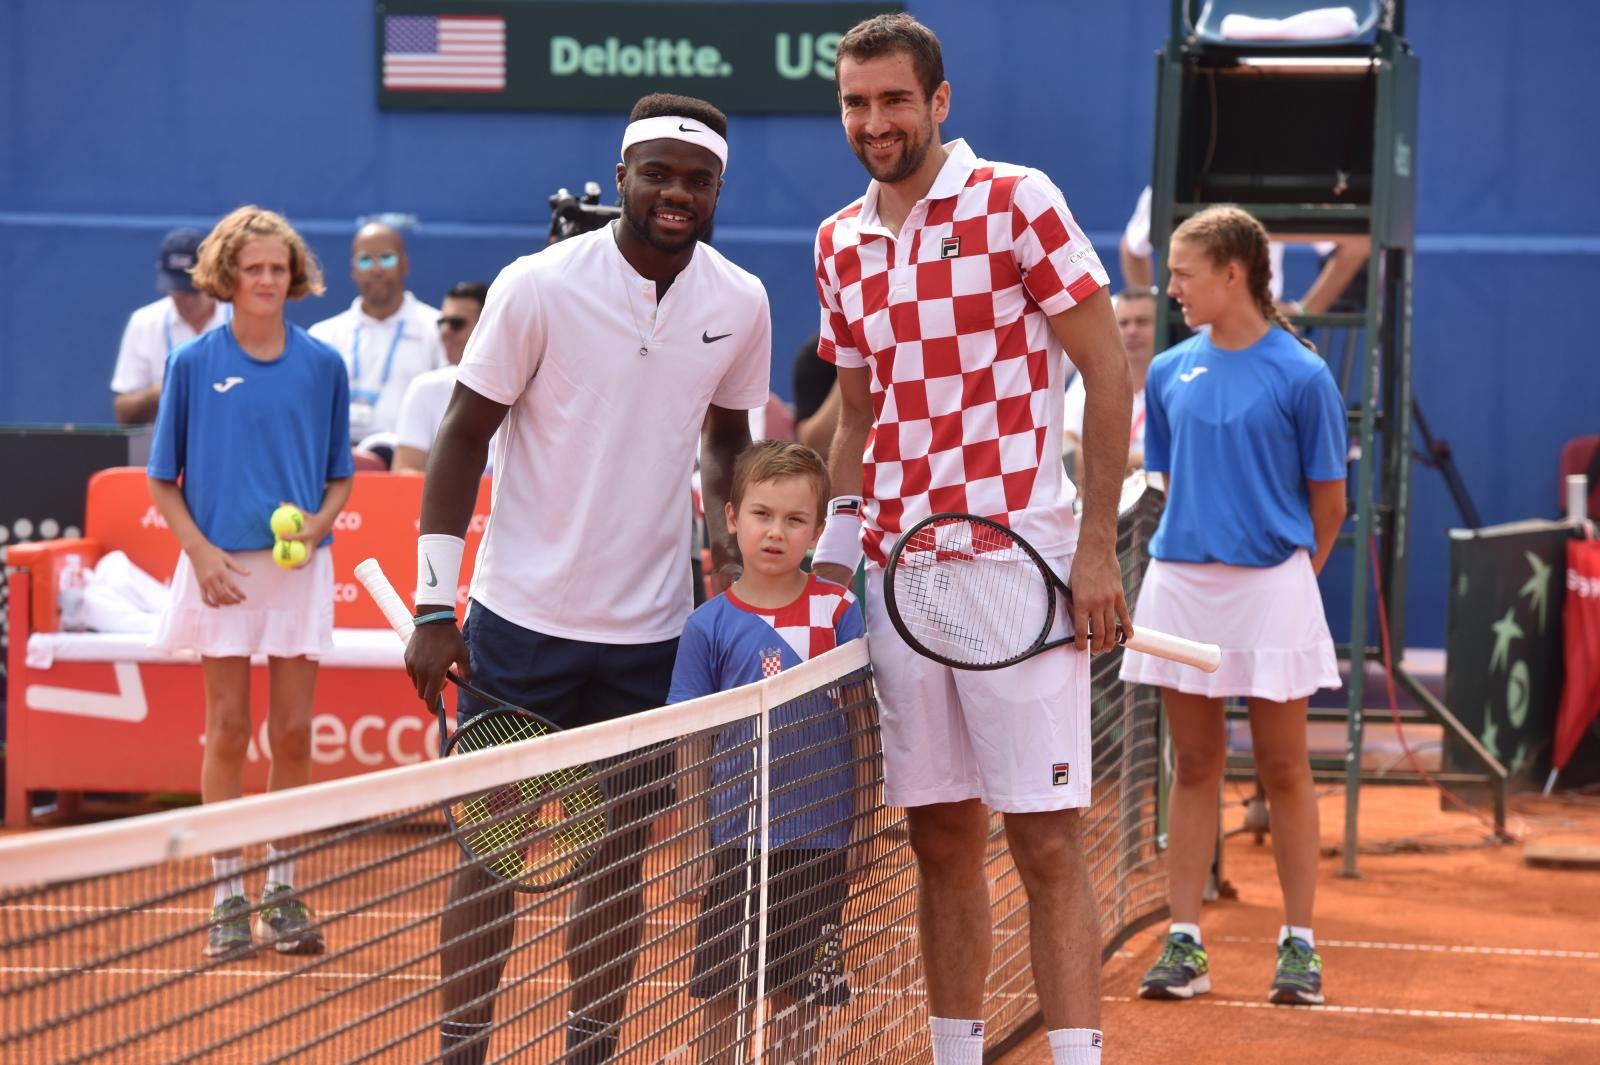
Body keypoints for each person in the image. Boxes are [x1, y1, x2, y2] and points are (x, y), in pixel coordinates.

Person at [403, 93, 771, 1065]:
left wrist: (735, 561)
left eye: (696, 179)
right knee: (492, 852)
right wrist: (436, 606)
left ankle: (589, 1051)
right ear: (621, 179)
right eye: (657, 173)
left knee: (619, 859)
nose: (676, 193)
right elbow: (459, 440)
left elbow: (727, 444)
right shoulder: (537, 287)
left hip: (649, 635)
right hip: (517, 627)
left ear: (719, 186)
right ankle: (459, 1053)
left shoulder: (739, 302)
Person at [810, 15, 1133, 1065]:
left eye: (894, 99)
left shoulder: (1016, 201)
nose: (875, 122)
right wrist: (823, 554)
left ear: (938, 102)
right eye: (857, 103)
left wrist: (1094, 550)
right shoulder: (836, 241)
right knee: (937, 837)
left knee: (1044, 840)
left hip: (1014, 568)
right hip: (898, 575)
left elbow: (1107, 373)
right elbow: (855, 420)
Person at [1120, 204, 1346, 1006]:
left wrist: (1287, 581)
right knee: (1196, 765)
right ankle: (1184, 940)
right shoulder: (1167, 370)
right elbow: (1175, 485)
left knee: (1285, 767)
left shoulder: (1304, 375)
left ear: (1232, 273)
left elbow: (1330, 504)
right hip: (1181, 586)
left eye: (1183, 273)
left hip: (1272, 587)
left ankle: (1301, 945)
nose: (1169, 286)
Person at [146, 206, 354, 960]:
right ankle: (227, 893)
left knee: (294, 731)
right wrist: (199, 553)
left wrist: (317, 524)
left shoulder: (324, 363)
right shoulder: (193, 363)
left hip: (297, 571)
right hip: (219, 567)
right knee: (229, 726)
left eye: (278, 268)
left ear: (293, 278)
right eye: (254, 268)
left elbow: (340, 479)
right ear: (228, 276)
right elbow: (161, 481)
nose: (267, 279)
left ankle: (283, 888)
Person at [669, 440, 867, 1065]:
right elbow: (692, 737)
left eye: (794, 519)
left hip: (819, 840)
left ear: (816, 530)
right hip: (734, 839)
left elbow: (863, 723)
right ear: (730, 518)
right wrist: (693, 838)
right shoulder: (707, 625)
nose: (776, 532)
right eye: (762, 515)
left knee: (801, 999)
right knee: (723, 993)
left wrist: (862, 824)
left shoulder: (839, 610)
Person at [1119, 184, 1369, 318]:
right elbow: (1133, 248)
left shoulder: (1285, 184)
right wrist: (1150, 308)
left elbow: (1357, 243)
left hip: (1257, 330)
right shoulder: (1171, 182)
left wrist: (1305, 311)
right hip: (1185, 331)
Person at [307, 220, 446, 449]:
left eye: (386, 257)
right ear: (353, 270)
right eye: (365, 260)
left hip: (411, 466)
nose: (376, 268)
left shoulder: (437, 328)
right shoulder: (323, 335)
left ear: (404, 264)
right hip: (338, 463)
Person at [110, 227, 232, 425]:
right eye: (179, 290)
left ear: (212, 278)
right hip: (169, 447)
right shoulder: (144, 322)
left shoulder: (243, 319)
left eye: (195, 290)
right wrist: (159, 393)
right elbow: (124, 414)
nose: (188, 300)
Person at [392, 281, 490, 474]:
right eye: (441, 322)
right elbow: (405, 470)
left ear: (488, 326)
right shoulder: (425, 388)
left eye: (456, 323)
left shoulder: (527, 386)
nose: (445, 332)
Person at [1063, 287, 1156, 486]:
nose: (1132, 331)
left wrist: (1099, 463)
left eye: (1142, 322)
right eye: (1123, 323)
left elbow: (1180, 462)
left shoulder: (1177, 380)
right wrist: (1144, 462)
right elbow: (1065, 451)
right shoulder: (1091, 376)